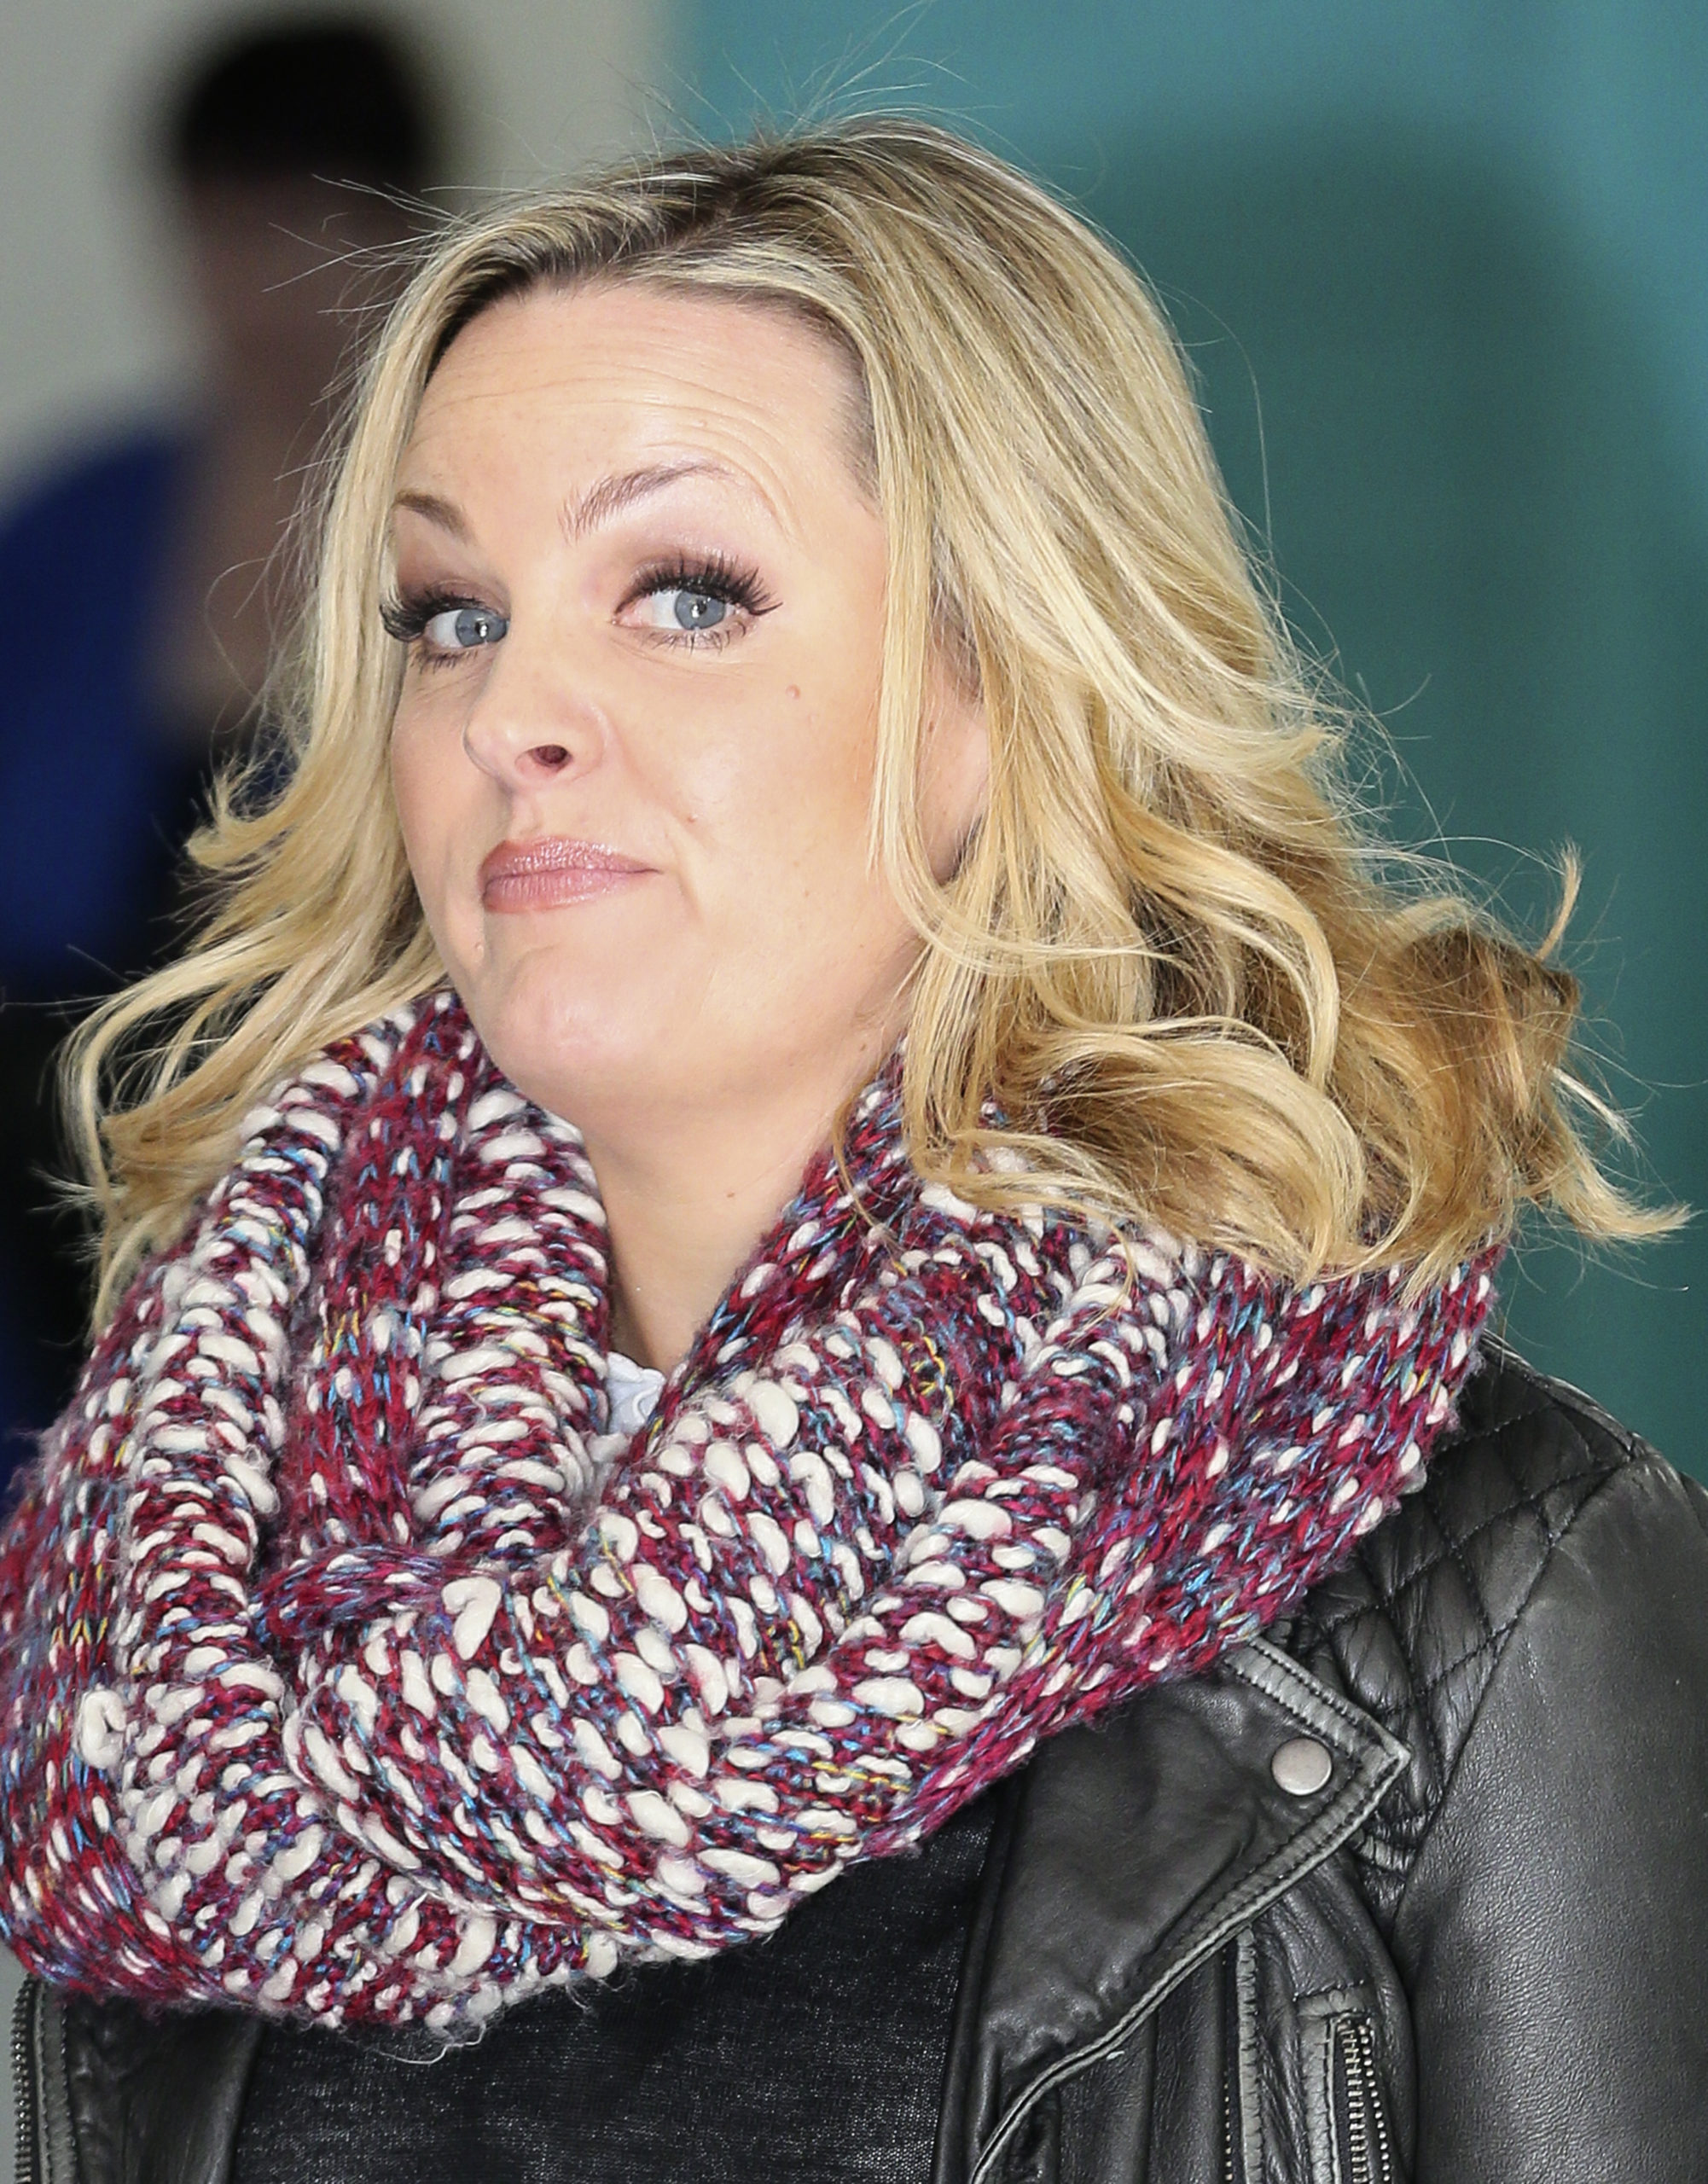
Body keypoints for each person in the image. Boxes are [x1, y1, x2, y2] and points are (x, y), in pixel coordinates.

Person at [0, 122, 1702, 2184]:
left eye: (682, 594)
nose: (510, 710)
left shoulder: (1485, 1598)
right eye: (449, 612)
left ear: (1008, 685)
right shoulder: (152, 1574)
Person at [0, 13, 439, 1461]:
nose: (272, 288)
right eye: (233, 231)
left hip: (329, 1151)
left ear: (405, 240)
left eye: (321, 232)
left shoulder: (452, 533)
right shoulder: (78, 521)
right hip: (41, 1161)